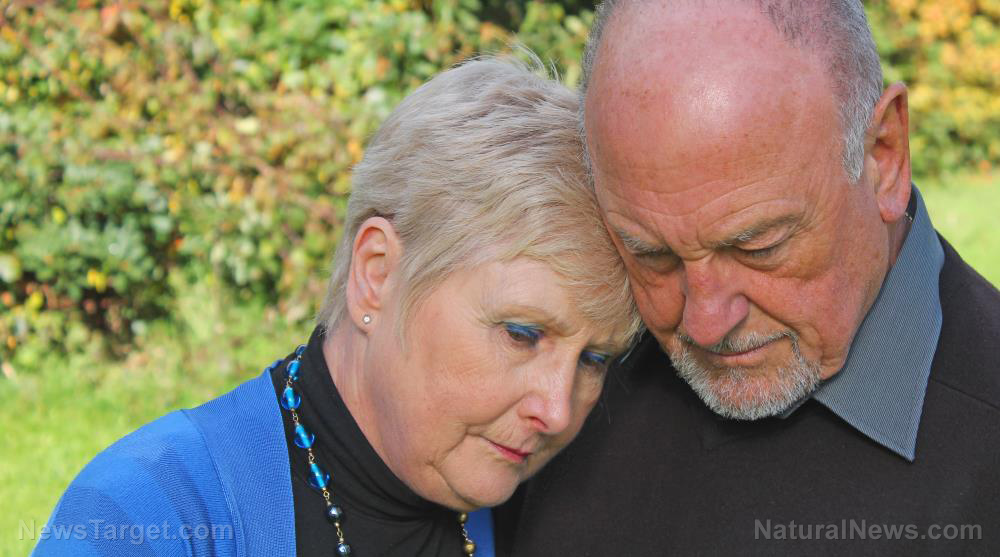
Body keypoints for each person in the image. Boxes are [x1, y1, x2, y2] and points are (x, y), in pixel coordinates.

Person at [496, 0, 1000, 554]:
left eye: (759, 247)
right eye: (653, 256)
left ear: (884, 157)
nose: (705, 323)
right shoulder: (559, 390)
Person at [34, 57, 642, 556]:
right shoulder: (151, 517)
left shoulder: (565, 508)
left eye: (594, 359)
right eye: (522, 333)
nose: (557, 410)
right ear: (376, 273)